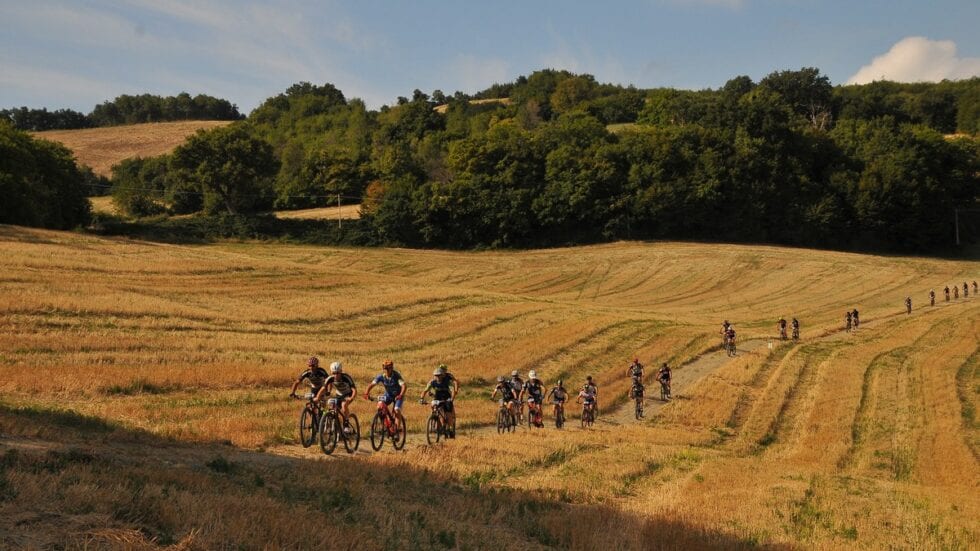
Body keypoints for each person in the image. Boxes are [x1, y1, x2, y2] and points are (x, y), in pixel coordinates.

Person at [420, 365, 459, 437]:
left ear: (442, 375)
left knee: (448, 413)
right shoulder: (432, 382)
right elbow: (425, 391)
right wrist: (421, 399)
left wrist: (451, 399)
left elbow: (452, 390)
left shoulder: (447, 382)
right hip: (437, 398)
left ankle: (450, 428)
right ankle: (435, 418)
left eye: (439, 375)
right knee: (434, 406)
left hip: (446, 398)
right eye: (435, 375)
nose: (437, 377)